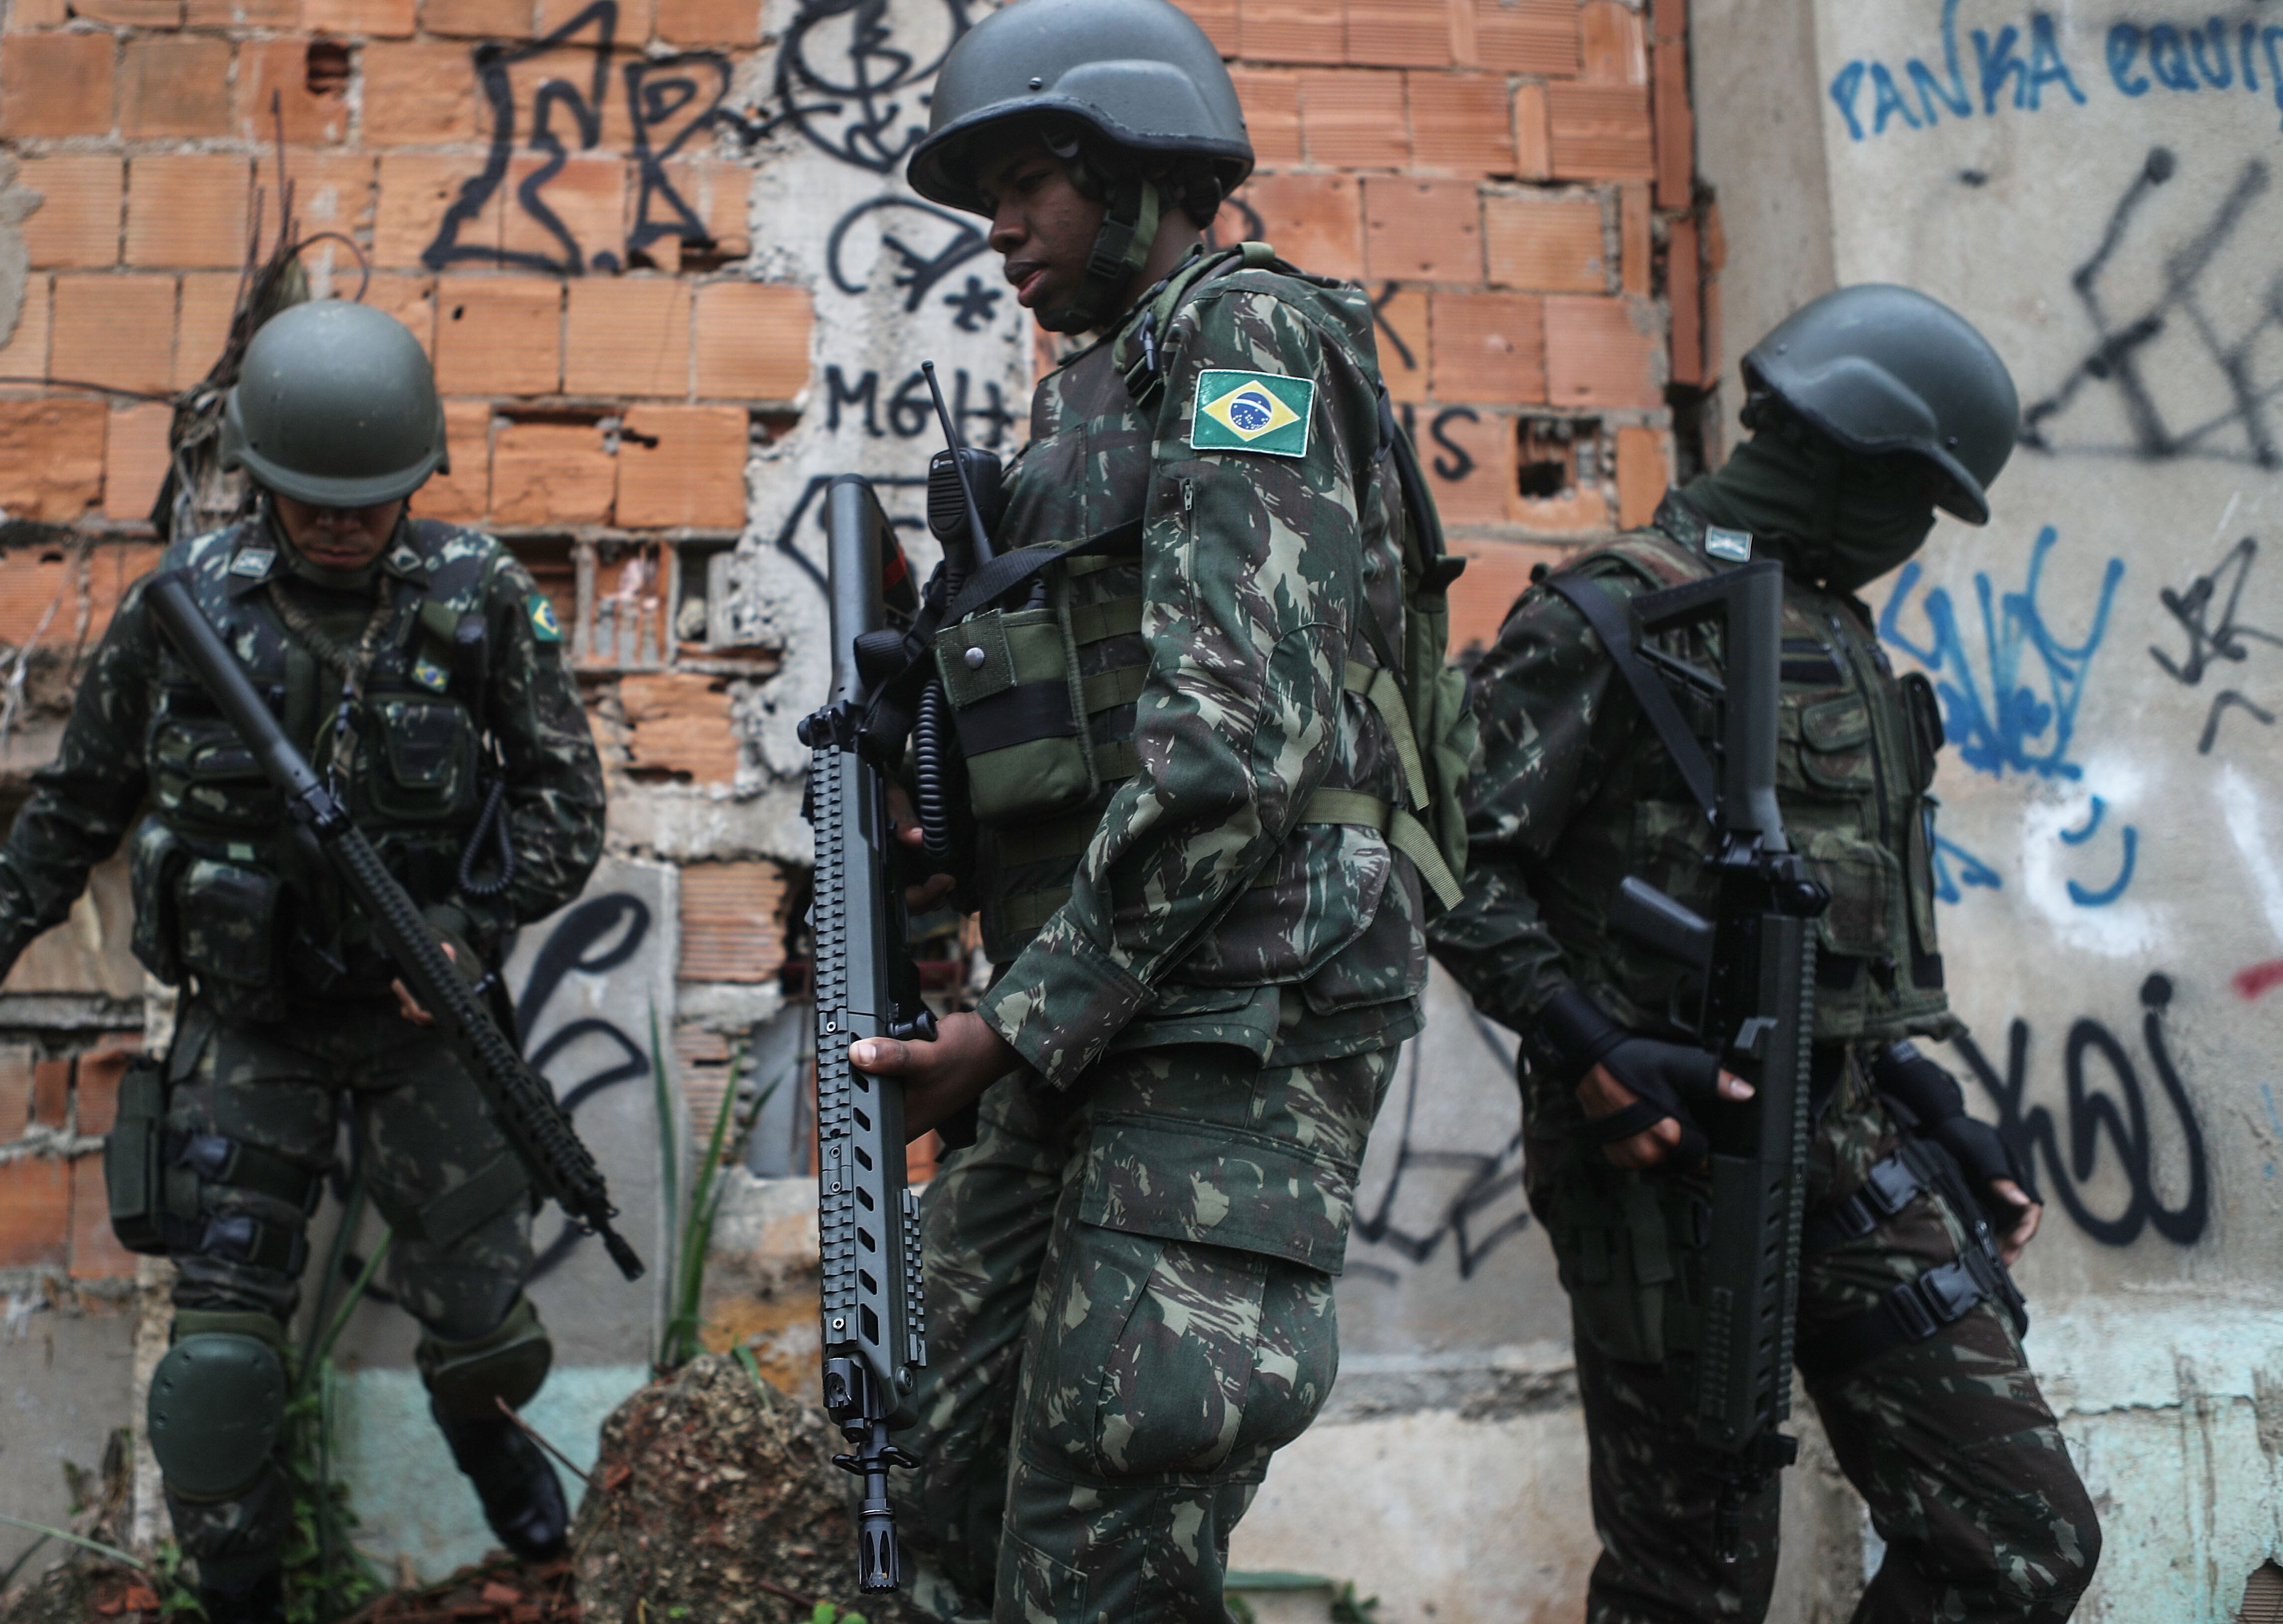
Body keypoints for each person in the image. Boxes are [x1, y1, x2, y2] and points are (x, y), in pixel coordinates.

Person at [838, 0, 1452, 1617]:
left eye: (1028, 180)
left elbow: (1235, 742)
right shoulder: (1084, 404)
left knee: (1104, 1522)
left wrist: (1013, 1027)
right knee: (945, 1494)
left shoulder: (1245, 336)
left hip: (1225, 1021)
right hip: (1092, 1017)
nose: (997, 229)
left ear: (1131, 167)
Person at [0, 301, 607, 1624]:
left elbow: (568, 801)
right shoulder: (185, 610)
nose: (341, 523)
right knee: (219, 1368)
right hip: (248, 1030)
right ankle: (241, 1601)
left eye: (370, 501)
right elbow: (72, 811)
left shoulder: (478, 596)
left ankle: (537, 1546)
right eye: (312, 498)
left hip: (425, 1025)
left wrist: (463, 931)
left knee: (485, 1337)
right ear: (260, 478)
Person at [1427, 284, 2102, 1622]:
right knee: (1694, 1586)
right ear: (1855, 463)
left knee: (2019, 1535)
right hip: (1664, 1163)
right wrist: (1587, 1044)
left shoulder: (1828, 623)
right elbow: (1449, 857)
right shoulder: (1612, 618)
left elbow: (1816, 916)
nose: (1918, 534)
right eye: (1921, 497)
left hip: (1849, 1133)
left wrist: (1928, 1100)